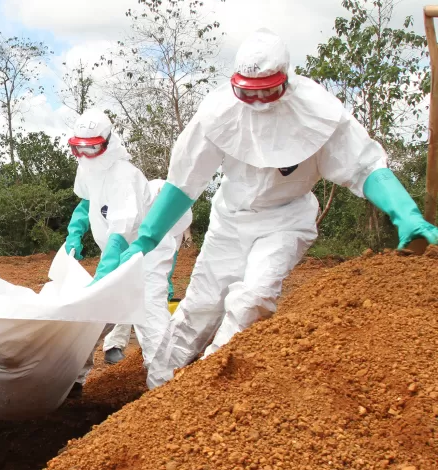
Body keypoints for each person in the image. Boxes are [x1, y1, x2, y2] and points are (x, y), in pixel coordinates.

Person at [101, 28, 438, 378]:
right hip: (230, 219)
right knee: (199, 307)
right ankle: (160, 388)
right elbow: (184, 183)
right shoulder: (217, 113)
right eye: (248, 93)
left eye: (269, 92)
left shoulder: (319, 112)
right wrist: (145, 239)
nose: (259, 102)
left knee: (253, 300)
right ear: (235, 85)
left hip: (286, 219)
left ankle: (207, 383)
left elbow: (366, 167)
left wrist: (407, 214)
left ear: (286, 82)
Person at [65, 109, 177, 391]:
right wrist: (74, 233)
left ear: (107, 142)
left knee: (149, 313)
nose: (86, 154)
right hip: (114, 254)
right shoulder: (87, 166)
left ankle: (165, 386)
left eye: (92, 148)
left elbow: (121, 232)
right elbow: (87, 202)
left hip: (146, 254)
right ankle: (73, 381)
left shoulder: (124, 175)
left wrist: (103, 275)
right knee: (91, 314)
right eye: (79, 148)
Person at [94, 178, 192, 365]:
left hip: (148, 266)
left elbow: (166, 262)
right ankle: (111, 347)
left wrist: (167, 284)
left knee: (147, 303)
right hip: (122, 260)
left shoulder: (173, 229)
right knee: (109, 303)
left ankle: (161, 365)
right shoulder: (134, 210)